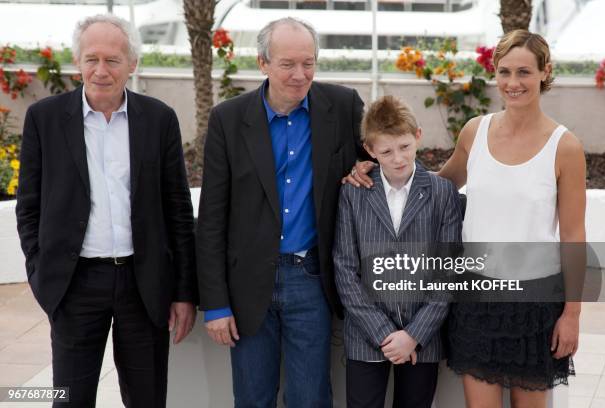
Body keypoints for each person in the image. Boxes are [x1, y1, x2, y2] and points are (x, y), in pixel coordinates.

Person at [344, 29, 584, 408]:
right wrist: (375, 172)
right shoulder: (475, 131)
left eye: (524, 72)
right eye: (504, 72)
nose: (513, 83)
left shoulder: (565, 147)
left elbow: (573, 235)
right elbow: (433, 187)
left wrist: (571, 316)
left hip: (535, 301)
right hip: (476, 298)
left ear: (544, 72)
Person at [16, 14, 197, 408]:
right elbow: (28, 207)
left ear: (132, 63)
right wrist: (40, 271)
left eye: (113, 60)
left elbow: (178, 211)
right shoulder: (44, 119)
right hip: (73, 283)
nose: (101, 70)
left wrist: (184, 292)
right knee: (69, 399)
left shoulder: (159, 119)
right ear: (77, 62)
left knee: (147, 398)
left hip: (143, 284)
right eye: (91, 59)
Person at [196, 17, 368, 407]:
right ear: (263, 63)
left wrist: (367, 165)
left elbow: (386, 155)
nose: (299, 74)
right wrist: (217, 305)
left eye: (308, 63)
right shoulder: (228, 119)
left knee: (311, 399)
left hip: (312, 279)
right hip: (246, 286)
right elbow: (211, 220)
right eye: (288, 64)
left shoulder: (342, 106)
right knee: (253, 399)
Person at [334, 95, 462, 408]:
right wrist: (383, 333)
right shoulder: (354, 192)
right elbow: (345, 269)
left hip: (424, 337)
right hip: (366, 336)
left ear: (417, 135)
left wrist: (414, 335)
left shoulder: (442, 193)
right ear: (370, 149)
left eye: (404, 146)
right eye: (386, 151)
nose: (398, 158)